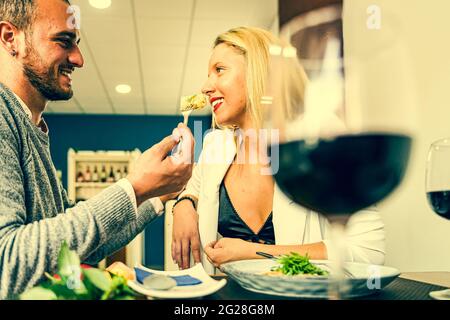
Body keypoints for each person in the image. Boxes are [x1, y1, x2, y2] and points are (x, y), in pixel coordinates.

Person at [0, 0, 194, 299]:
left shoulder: (29, 125)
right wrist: (133, 187)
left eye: (76, 44)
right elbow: (7, 264)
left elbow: (73, 246)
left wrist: (156, 194)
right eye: (64, 41)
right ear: (10, 38)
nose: (78, 59)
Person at [171, 26, 385, 274]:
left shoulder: (322, 136)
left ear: (259, 70)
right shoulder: (214, 145)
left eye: (219, 70)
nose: (206, 87)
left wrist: (252, 253)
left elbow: (367, 252)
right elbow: (194, 189)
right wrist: (183, 205)